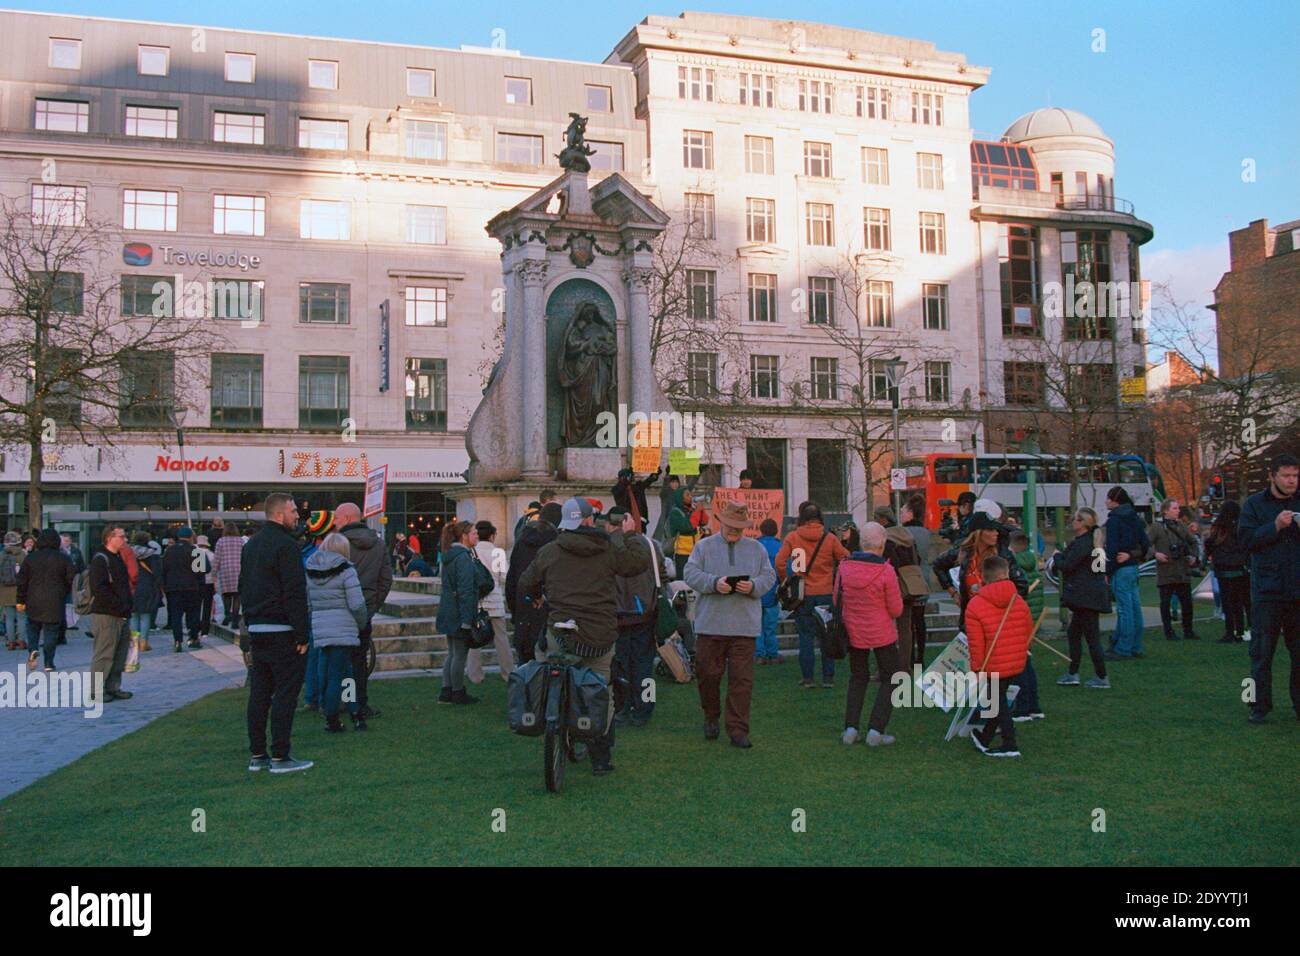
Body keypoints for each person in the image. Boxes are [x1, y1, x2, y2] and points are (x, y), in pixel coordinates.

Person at [519, 497, 650, 774]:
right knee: (602, 690)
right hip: (598, 633)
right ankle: (600, 758)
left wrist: (537, 597)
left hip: (560, 630)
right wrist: (629, 534)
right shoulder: (606, 549)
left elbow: (525, 582)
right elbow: (637, 563)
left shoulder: (550, 551)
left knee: (548, 665)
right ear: (590, 520)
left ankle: (549, 716)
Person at [683, 501, 775, 749]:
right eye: (731, 526)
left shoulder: (756, 549)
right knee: (708, 676)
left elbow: (769, 576)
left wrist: (754, 586)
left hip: (744, 628)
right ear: (721, 523)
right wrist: (714, 583)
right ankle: (711, 716)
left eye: (739, 527)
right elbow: (689, 574)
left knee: (741, 681)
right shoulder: (703, 547)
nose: (734, 531)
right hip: (710, 626)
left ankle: (738, 730)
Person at [240, 492, 313, 773]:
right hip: (282, 629)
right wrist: (302, 634)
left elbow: (244, 587)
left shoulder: (252, 545)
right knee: (285, 693)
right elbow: (294, 592)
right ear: (279, 514)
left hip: (258, 627)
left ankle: (258, 753)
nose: (297, 516)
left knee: (260, 693)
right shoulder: (286, 545)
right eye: (293, 511)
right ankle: (281, 755)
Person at [1237, 453, 1300, 725]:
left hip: (1297, 591)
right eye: (1286, 476)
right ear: (1272, 476)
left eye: (1296, 476)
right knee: (1261, 653)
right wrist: (1274, 526)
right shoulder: (1254, 504)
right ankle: (1258, 705)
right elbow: (1246, 541)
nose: (1292, 481)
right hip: (1267, 592)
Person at [838, 522, 905, 747]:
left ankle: (851, 728)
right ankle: (876, 729)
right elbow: (896, 609)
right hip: (881, 632)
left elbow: (837, 600)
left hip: (854, 630)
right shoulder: (886, 571)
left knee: (858, 677)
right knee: (892, 677)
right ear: (882, 544)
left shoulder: (844, 567)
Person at [776, 500, 850, 689]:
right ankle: (828, 677)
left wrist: (788, 580)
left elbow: (780, 562)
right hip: (825, 592)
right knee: (827, 635)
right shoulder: (829, 538)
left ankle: (808, 678)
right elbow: (846, 558)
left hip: (802, 594)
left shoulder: (793, 537)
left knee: (805, 637)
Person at [966, 555, 1034, 758]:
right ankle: (986, 737)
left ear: (983, 577)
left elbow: (976, 643)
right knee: (998, 698)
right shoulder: (1018, 599)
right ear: (1006, 574)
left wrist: (977, 668)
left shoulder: (975, 605)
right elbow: (1027, 628)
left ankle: (1009, 742)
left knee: (998, 700)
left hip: (993, 661)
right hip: (1015, 658)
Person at [305, 532, 369, 732]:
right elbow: (357, 603)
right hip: (343, 626)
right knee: (340, 674)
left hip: (322, 627)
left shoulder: (311, 571)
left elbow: (309, 602)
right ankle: (333, 716)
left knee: (335, 671)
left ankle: (353, 711)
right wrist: (361, 623)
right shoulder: (346, 571)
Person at [607, 506, 664, 727]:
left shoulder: (609, 545)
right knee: (644, 664)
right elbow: (663, 573)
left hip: (620, 613)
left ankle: (625, 706)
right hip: (646, 611)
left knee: (621, 664)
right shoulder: (650, 544)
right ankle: (645, 707)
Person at [336, 502, 393, 721]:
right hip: (364, 610)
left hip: (341, 610)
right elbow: (386, 579)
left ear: (349, 518)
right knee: (359, 660)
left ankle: (347, 701)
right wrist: (372, 606)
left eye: (338, 518)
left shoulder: (337, 543)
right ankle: (360, 703)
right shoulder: (378, 544)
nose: (335, 522)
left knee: (342, 661)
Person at [1052, 508, 1110, 688]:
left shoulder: (1083, 543)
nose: (1072, 522)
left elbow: (1068, 566)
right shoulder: (1095, 543)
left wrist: (1056, 556)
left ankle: (1101, 677)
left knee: (1091, 639)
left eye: (1076, 519)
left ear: (1083, 523)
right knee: (1075, 634)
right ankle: (1073, 672)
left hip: (1084, 596)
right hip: (1091, 595)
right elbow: (1100, 569)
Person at [505, 502, 561, 664]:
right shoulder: (555, 545)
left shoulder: (522, 542)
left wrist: (515, 611)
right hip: (546, 609)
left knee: (526, 666)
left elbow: (512, 581)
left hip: (525, 609)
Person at [435, 520, 484, 705]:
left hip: (448, 607)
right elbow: (465, 589)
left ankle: (446, 690)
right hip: (458, 610)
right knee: (459, 653)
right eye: (474, 533)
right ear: (464, 536)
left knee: (452, 652)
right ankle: (457, 691)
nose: (477, 536)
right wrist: (466, 619)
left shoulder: (449, 555)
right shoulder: (463, 557)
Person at [874, 506, 923, 679]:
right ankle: (904, 667)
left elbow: (889, 562)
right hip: (910, 585)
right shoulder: (907, 534)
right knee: (906, 628)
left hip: (892, 586)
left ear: (883, 520)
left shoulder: (885, 538)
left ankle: (885, 669)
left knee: (884, 628)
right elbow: (918, 557)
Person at [1103, 486, 1151, 661]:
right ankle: (1135, 645)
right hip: (1132, 567)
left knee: (1124, 611)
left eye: (1108, 498)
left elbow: (1112, 548)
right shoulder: (1135, 518)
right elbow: (1145, 544)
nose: (1106, 501)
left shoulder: (1114, 520)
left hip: (1120, 569)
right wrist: (1132, 554)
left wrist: (1107, 570)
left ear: (1116, 500)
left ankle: (1123, 647)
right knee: (1134, 608)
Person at [87, 526, 133, 702]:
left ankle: (113, 687)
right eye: (121, 536)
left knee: (119, 654)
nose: (124, 539)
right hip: (107, 614)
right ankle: (96, 690)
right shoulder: (101, 559)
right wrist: (119, 605)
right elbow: (99, 589)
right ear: (109, 538)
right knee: (104, 653)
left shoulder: (117, 557)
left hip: (120, 613)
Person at [16, 529, 73, 671]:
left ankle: (33, 650)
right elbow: (71, 578)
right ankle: (48, 662)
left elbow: (22, 581)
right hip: (54, 600)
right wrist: (63, 592)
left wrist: (20, 600)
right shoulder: (63, 558)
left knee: (33, 627)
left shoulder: (31, 558)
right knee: (51, 631)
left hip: (33, 598)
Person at [468, 520, 515, 684]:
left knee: (475, 640)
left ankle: (475, 675)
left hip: (477, 601)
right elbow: (504, 577)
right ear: (492, 535)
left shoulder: (471, 552)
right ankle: (508, 673)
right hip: (495, 600)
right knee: (501, 639)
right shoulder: (498, 553)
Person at [1148, 498, 1201, 642]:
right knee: (1165, 603)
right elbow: (1146, 544)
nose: (1178, 510)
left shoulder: (1181, 526)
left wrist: (1193, 556)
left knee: (1187, 603)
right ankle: (1168, 631)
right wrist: (1156, 554)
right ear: (1166, 510)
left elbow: (1193, 541)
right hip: (1166, 571)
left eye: (1178, 508)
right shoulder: (1157, 527)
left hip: (1182, 570)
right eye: (1175, 508)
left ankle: (1188, 630)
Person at [300, 510, 335, 713]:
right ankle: (328, 698)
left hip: (310, 608)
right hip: (327, 608)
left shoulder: (305, 552)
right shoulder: (329, 555)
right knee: (330, 657)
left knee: (314, 653)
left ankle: (311, 696)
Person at [1205, 499, 1250, 643]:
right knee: (1240, 602)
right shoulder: (1240, 528)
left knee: (1227, 603)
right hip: (1240, 570)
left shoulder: (1218, 529)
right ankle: (1241, 631)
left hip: (1223, 570)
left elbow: (1209, 544)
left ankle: (1230, 632)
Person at [160, 526, 206, 652]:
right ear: (191, 537)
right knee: (193, 615)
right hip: (192, 588)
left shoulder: (169, 551)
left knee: (175, 615)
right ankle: (193, 639)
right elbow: (203, 570)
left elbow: (163, 570)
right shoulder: (195, 551)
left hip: (173, 588)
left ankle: (177, 641)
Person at [900, 495, 932, 665]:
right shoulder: (926, 533)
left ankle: (910, 656)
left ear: (910, 513)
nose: (901, 514)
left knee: (908, 622)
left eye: (903, 511)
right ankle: (920, 657)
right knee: (920, 620)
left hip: (908, 579)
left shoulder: (903, 533)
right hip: (923, 578)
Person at [755, 518, 783, 665]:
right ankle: (773, 654)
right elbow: (787, 569)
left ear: (761, 530)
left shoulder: (754, 546)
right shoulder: (781, 546)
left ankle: (759, 654)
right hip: (773, 592)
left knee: (757, 626)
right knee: (770, 627)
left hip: (757, 591)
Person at [129, 531, 162, 653]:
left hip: (132, 586)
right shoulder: (153, 555)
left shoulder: (128, 554)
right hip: (148, 587)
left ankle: (134, 642)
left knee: (133, 615)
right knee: (145, 615)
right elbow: (158, 574)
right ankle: (144, 642)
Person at [612, 466, 661, 532]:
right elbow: (620, 489)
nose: (632, 478)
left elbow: (647, 482)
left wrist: (655, 474)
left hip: (640, 521)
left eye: (631, 477)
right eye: (630, 477)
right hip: (627, 522)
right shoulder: (617, 489)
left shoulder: (635, 488)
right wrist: (627, 477)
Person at [214, 522, 244, 628]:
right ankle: (235, 620)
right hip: (239, 570)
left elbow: (217, 558)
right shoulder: (241, 541)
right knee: (237, 596)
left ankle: (227, 616)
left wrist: (214, 573)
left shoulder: (220, 541)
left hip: (225, 570)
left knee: (226, 594)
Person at [667, 486, 700, 581]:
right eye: (687, 495)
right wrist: (697, 512)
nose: (691, 497)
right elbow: (688, 526)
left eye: (690, 494)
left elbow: (704, 521)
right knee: (683, 580)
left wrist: (700, 511)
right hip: (682, 553)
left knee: (694, 579)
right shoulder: (675, 512)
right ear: (680, 497)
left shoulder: (690, 510)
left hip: (695, 552)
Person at [1, 531, 27, 651]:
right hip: (20, 592)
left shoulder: (1, 555)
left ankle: (11, 642)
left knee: (9, 618)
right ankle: (21, 641)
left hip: (5, 592)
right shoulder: (22, 555)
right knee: (21, 617)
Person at [194, 534, 217, 640]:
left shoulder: (194, 552)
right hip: (209, 582)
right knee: (207, 607)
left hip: (196, 582)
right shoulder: (212, 555)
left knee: (196, 606)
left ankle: (195, 626)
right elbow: (214, 570)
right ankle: (205, 630)